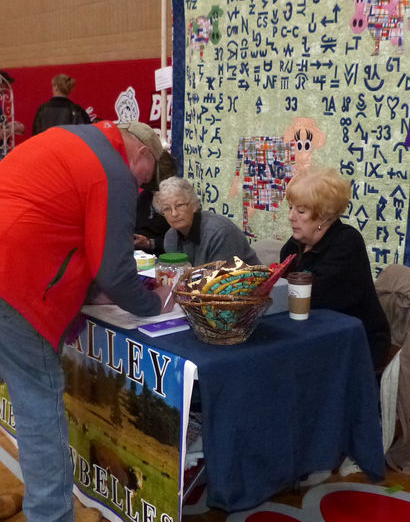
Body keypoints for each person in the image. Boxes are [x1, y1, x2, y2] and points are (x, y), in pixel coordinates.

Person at [0, 120, 173, 522]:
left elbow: (61, 224)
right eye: (147, 180)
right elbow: (115, 270)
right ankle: (51, 515)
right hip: (19, 287)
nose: (143, 189)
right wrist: (153, 304)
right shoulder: (115, 171)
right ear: (143, 154)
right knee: (39, 408)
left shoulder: (70, 137)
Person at [280, 166, 391, 371]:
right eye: (290, 208)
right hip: (310, 336)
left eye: (301, 211)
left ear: (323, 216)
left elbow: (313, 297)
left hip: (355, 343)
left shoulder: (347, 242)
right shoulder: (294, 245)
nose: (291, 217)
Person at [157, 176, 261, 266]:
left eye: (179, 205)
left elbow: (220, 281)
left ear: (193, 205)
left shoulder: (220, 233)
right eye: (167, 209)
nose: (174, 213)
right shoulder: (171, 238)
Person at [134, 150, 179, 256]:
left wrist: (150, 243)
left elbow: (182, 242)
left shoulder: (178, 198)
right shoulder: (145, 196)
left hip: (165, 257)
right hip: (139, 256)